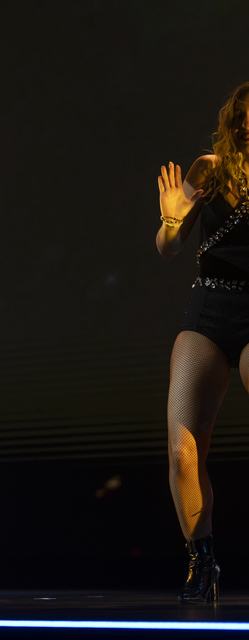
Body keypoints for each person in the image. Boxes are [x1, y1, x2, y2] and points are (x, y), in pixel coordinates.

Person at [156, 81, 249, 604]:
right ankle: (203, 560)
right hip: (210, 309)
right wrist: (172, 218)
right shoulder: (208, 169)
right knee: (183, 451)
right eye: (244, 120)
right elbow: (168, 247)